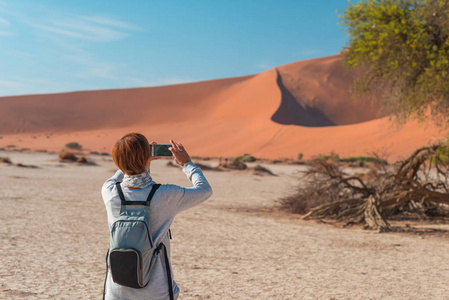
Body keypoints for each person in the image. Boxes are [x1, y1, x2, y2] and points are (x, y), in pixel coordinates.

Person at [102, 133, 213, 300]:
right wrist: (187, 164)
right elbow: (205, 190)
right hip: (155, 292)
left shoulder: (110, 192)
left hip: (116, 291)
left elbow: (124, 173)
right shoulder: (165, 194)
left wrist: (136, 160)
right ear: (146, 157)